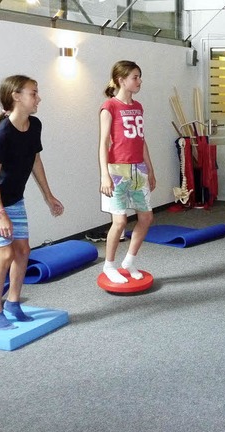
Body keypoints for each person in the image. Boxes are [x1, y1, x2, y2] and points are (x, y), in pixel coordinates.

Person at [0, 75, 64, 330]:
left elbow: (35, 161)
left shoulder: (35, 125)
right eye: (33, 93)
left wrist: (48, 195)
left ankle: (13, 303)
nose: (38, 97)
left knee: (23, 251)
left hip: (15, 199)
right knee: (5, 254)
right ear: (16, 96)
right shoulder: (2, 133)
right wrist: (0, 213)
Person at [99, 60, 156, 284]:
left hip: (138, 169)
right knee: (120, 221)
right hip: (117, 170)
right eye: (135, 77)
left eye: (139, 76)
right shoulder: (109, 107)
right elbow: (103, 143)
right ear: (122, 80)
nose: (139, 81)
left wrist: (150, 169)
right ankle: (109, 265)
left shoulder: (138, 106)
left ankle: (129, 261)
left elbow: (141, 141)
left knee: (146, 217)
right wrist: (104, 174)